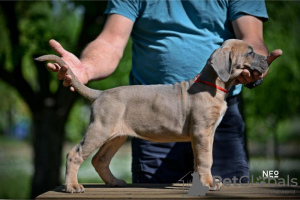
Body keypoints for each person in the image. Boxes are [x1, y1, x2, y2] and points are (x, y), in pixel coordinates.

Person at [48, 0, 282, 184]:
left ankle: (204, 176)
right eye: (248, 56)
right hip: (148, 113)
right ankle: (75, 166)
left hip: (225, 112)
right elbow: (110, 41)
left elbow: (251, 39)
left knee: (226, 191)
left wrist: (257, 63)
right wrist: (85, 67)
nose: (252, 57)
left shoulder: (233, 62)